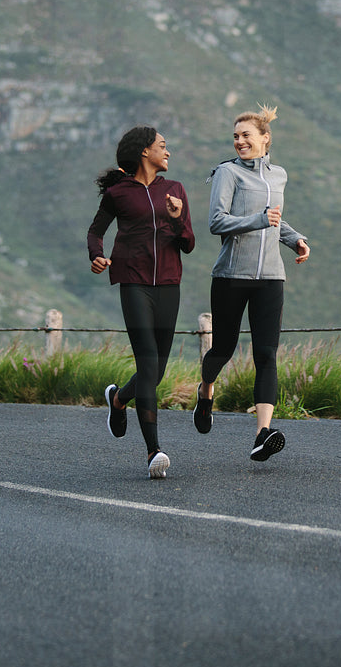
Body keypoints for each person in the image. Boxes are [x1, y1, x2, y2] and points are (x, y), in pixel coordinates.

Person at [194, 105, 310, 462]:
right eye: (235, 136)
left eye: (246, 135)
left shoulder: (279, 176)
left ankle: (263, 433)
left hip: (271, 277)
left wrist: (295, 239)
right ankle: (205, 391)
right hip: (231, 276)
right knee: (222, 349)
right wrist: (259, 219)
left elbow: (276, 219)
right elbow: (217, 221)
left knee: (266, 354)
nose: (239, 141)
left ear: (265, 138)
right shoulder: (227, 173)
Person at [87, 126, 195, 479]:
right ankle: (154, 451)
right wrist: (97, 255)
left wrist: (177, 219)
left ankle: (119, 399)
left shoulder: (175, 190)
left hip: (169, 284)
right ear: (144, 151)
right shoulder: (118, 193)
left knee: (157, 372)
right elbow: (96, 231)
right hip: (133, 282)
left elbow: (189, 244)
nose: (168, 151)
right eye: (162, 146)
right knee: (148, 365)